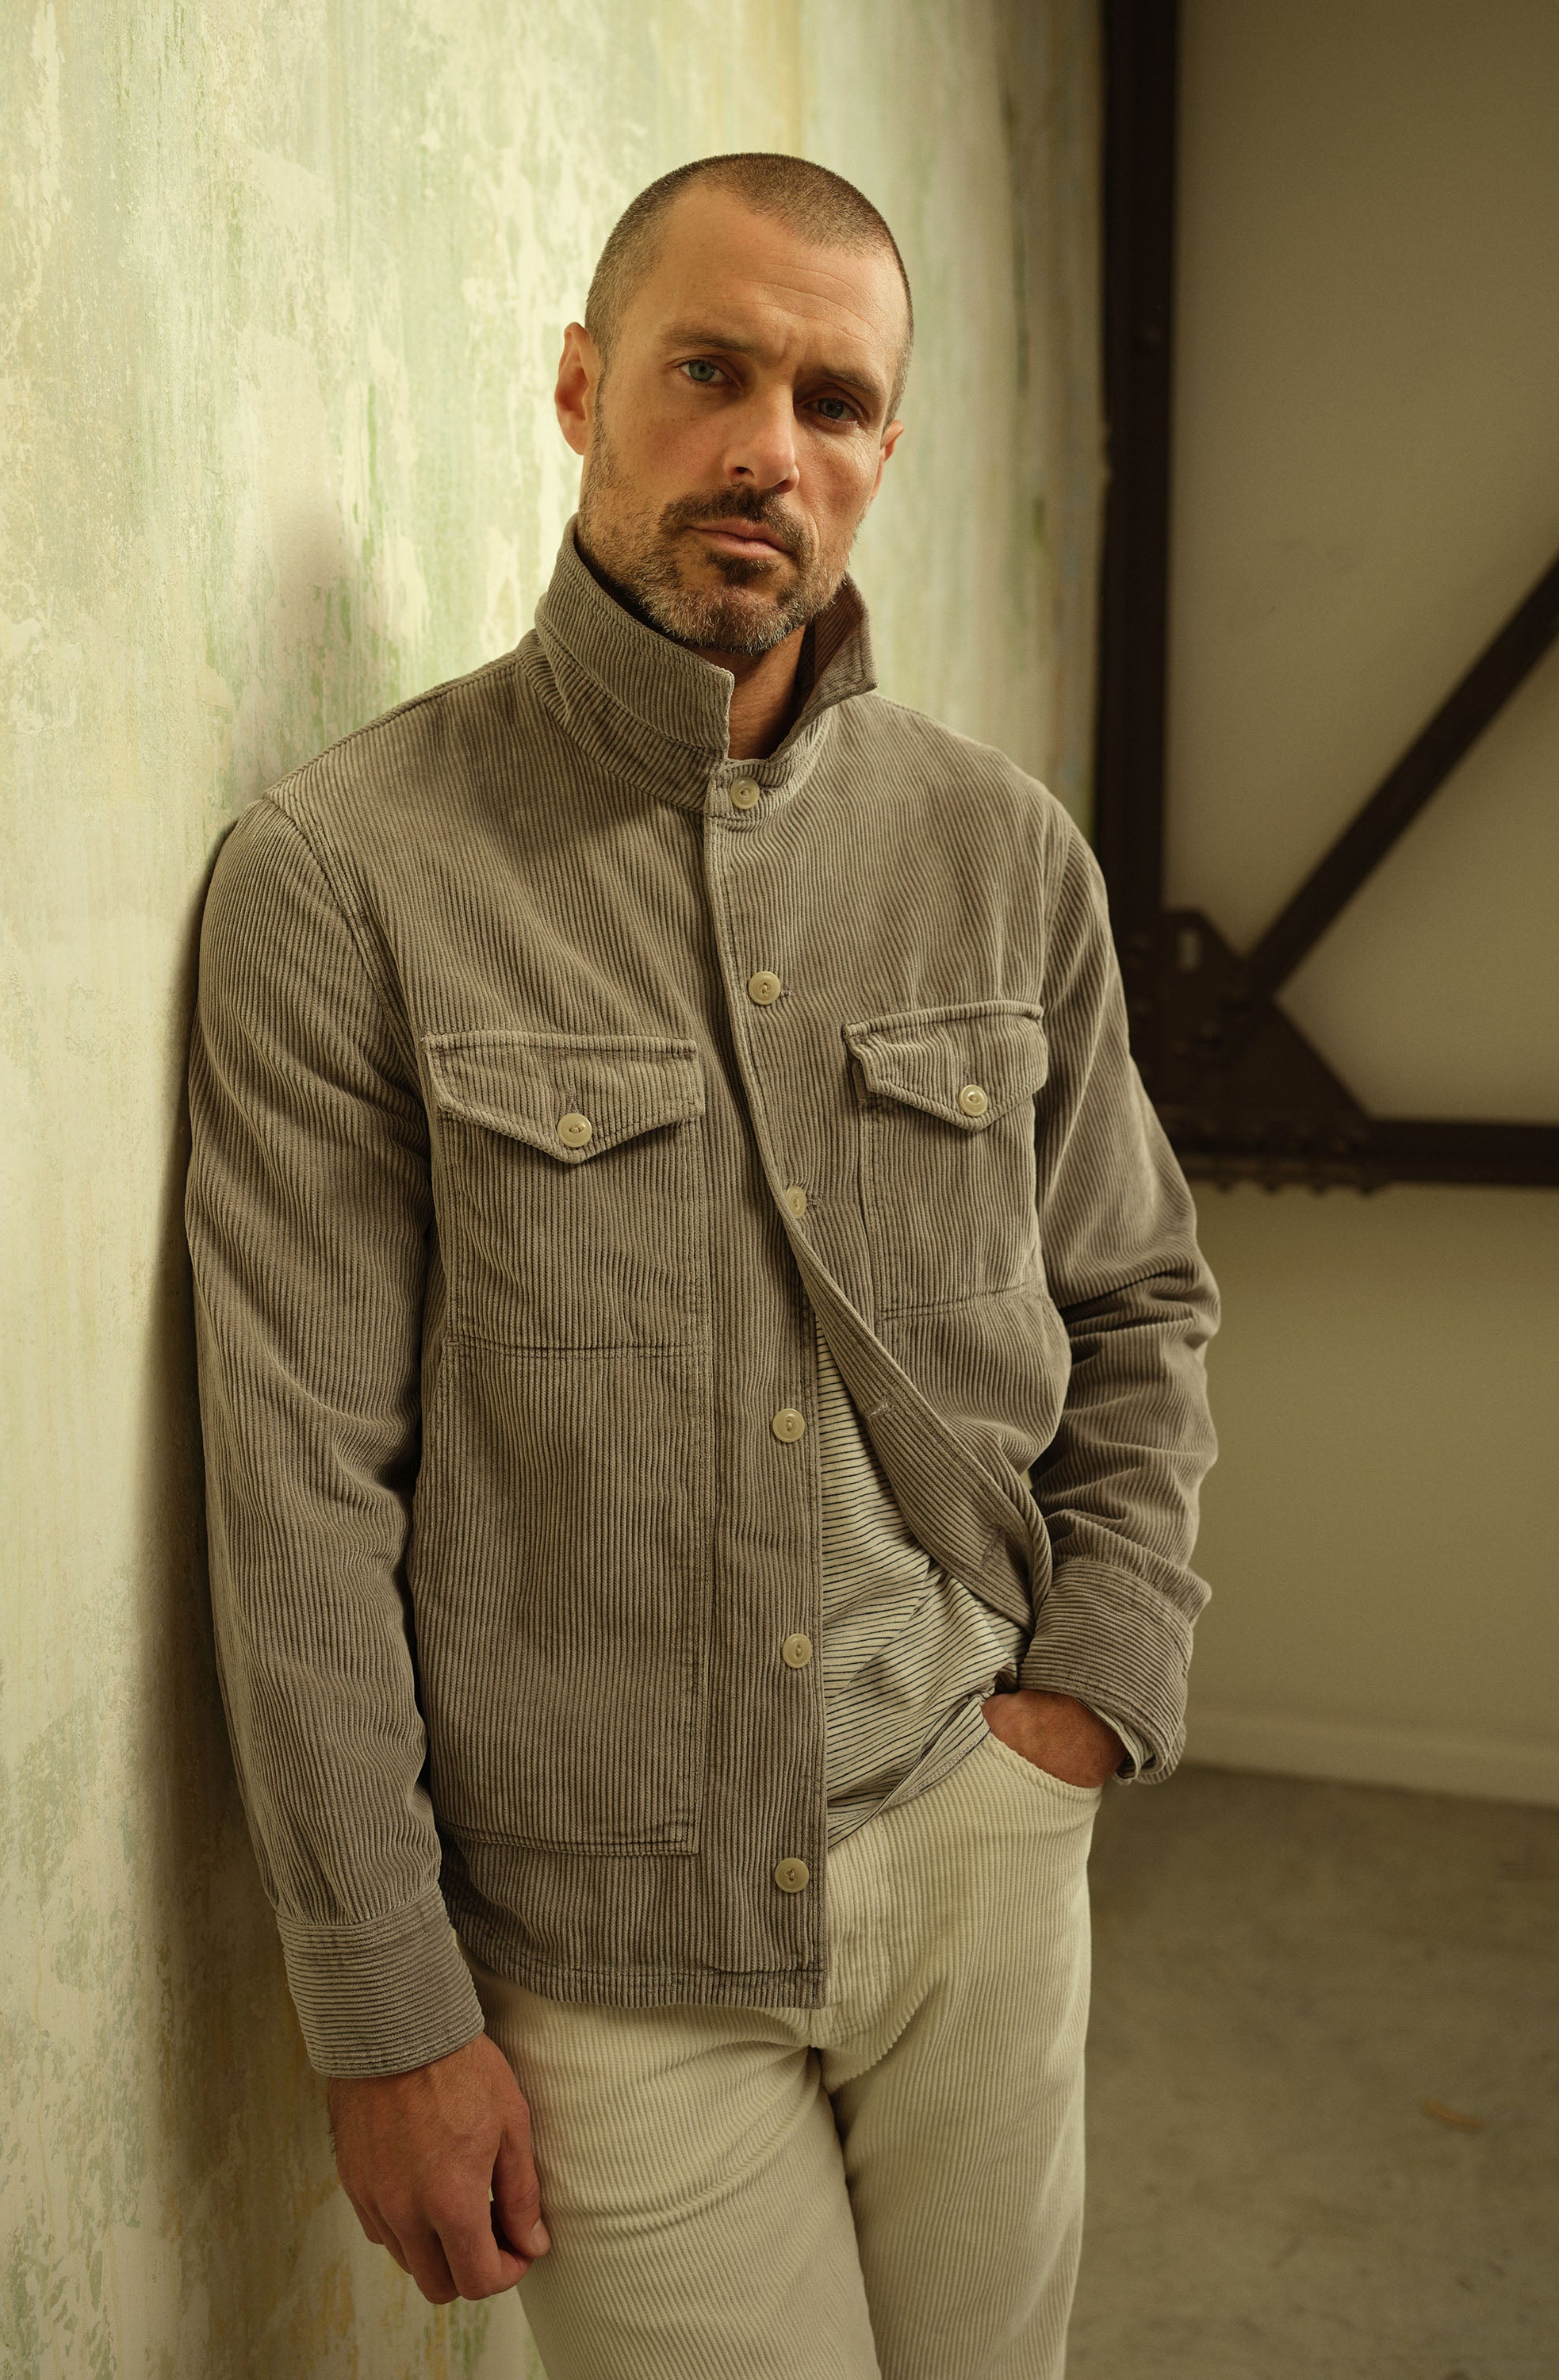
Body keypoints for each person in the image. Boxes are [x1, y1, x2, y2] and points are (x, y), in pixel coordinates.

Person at [185, 150, 1219, 2379]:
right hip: (604, 1942)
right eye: (709, 372)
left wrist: (1083, 1705)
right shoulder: (348, 877)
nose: (771, 446)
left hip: (976, 1826)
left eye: (833, 401)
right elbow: (296, 1492)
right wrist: (388, 2008)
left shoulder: (1001, 853)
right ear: (583, 387)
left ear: (883, 451)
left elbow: (1138, 1296)